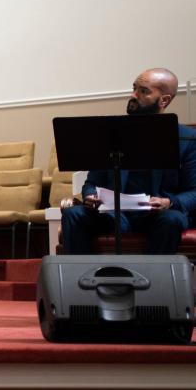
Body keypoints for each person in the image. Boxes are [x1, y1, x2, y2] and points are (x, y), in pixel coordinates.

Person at [61, 67, 196, 255]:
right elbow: (92, 183)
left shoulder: (187, 140)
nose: (133, 95)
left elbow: (194, 191)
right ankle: (82, 281)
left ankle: (151, 282)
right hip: (115, 214)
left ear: (164, 100)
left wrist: (169, 202)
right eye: (134, 88)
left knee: (171, 220)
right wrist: (90, 196)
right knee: (74, 214)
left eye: (144, 91)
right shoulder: (111, 134)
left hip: (158, 215)